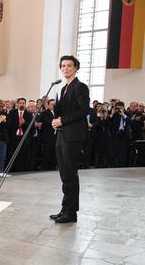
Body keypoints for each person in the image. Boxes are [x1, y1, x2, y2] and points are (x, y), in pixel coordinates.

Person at [50, 55, 90, 224]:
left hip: (73, 136)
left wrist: (62, 121)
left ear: (75, 67)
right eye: (63, 66)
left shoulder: (80, 87)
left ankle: (71, 212)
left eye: (69, 65)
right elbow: (64, 112)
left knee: (70, 174)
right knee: (64, 173)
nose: (65, 68)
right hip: (62, 134)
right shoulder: (64, 89)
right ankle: (65, 208)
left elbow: (83, 111)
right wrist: (55, 119)